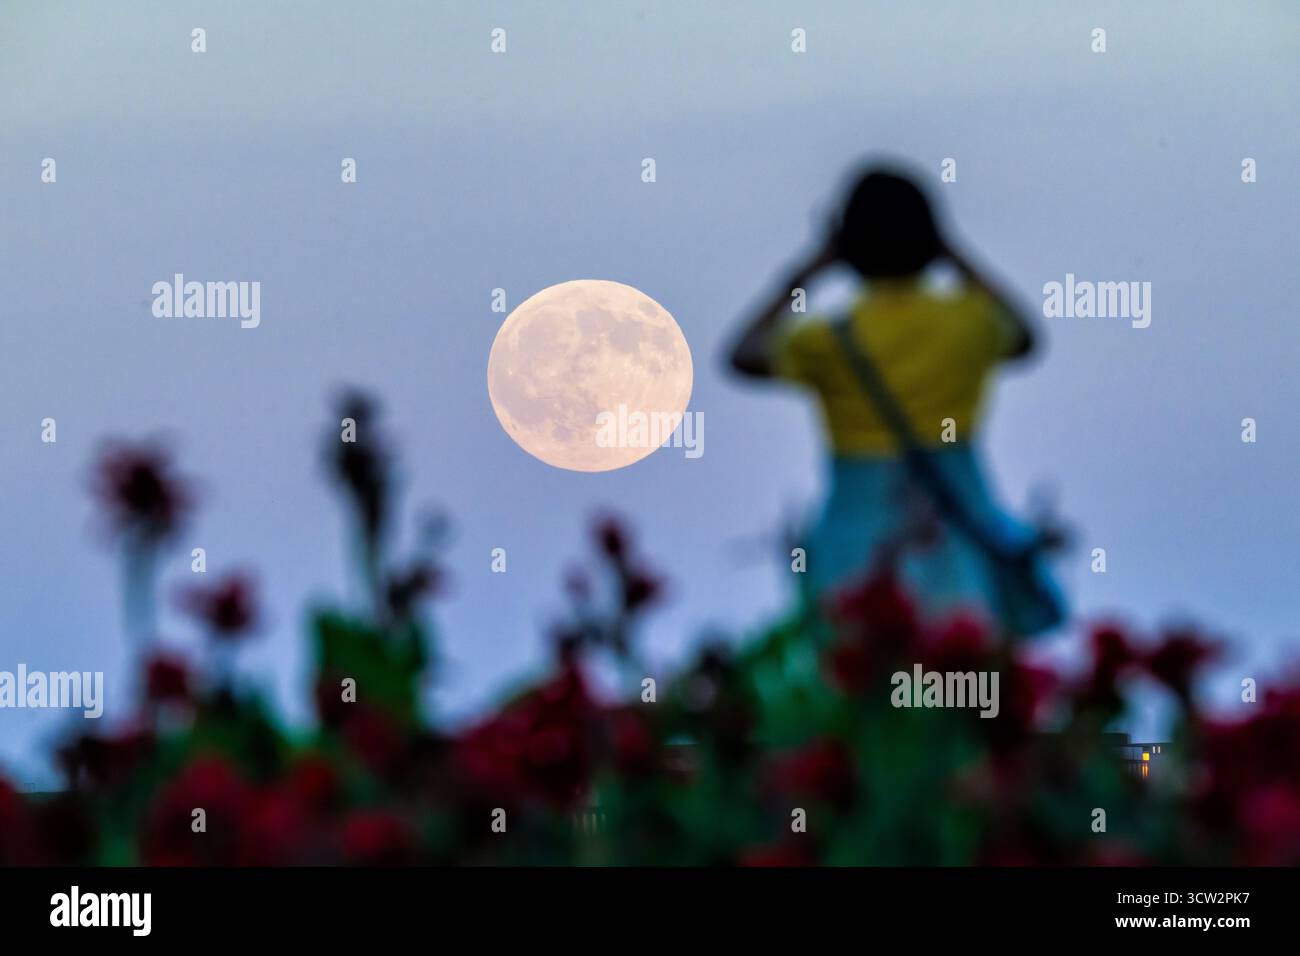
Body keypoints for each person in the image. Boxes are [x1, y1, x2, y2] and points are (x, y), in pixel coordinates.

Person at [728, 164, 1064, 634]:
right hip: (957, 534)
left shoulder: (827, 340)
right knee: (965, 679)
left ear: (849, 249)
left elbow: (742, 354)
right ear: (930, 241)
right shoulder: (969, 323)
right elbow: (1027, 336)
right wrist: (952, 253)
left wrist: (810, 269)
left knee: (863, 679)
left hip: (855, 542)